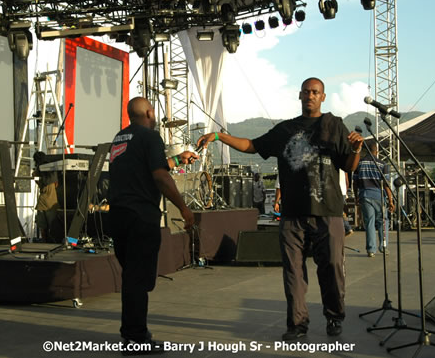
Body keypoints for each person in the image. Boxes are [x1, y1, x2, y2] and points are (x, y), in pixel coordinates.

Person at [197, 77, 363, 340]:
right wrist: (219, 135)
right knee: (293, 272)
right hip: (292, 214)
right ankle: (297, 324)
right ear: (299, 96)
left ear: (323, 97)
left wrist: (355, 149)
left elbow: (350, 166)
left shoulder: (334, 125)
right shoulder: (285, 130)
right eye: (306, 91)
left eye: (315, 92)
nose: (310, 95)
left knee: (331, 266)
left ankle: (334, 316)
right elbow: (252, 146)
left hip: (328, 211)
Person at [109, 97, 198, 354]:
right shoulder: (150, 137)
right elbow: (159, 176)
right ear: (149, 112)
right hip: (140, 216)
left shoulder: (120, 138)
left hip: (119, 216)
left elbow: (145, 170)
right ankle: (135, 338)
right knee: (139, 279)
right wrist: (183, 208)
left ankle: (133, 332)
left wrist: (178, 160)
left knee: (132, 277)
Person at [353, 142, 394, 257]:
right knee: (383, 221)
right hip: (378, 196)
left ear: (366, 152)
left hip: (364, 194)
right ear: (376, 151)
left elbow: (355, 182)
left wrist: (356, 197)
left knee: (369, 222)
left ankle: (371, 250)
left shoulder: (359, 163)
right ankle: (383, 246)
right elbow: (386, 184)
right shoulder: (382, 164)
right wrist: (390, 201)